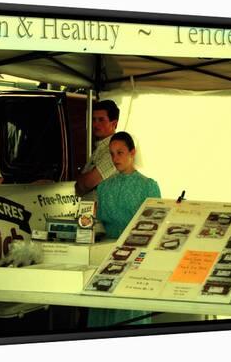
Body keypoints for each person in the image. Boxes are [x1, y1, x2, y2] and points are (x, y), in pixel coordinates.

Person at [88, 131, 161, 328]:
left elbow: (156, 226)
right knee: (103, 308)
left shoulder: (149, 186)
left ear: (132, 152)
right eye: (112, 154)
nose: (115, 158)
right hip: (106, 255)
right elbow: (100, 223)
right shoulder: (104, 188)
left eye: (120, 153)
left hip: (136, 256)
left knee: (130, 312)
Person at [75, 100, 119, 197]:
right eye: (94, 119)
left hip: (101, 210)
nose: (96, 124)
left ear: (114, 123)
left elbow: (86, 184)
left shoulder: (113, 150)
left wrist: (81, 179)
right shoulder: (100, 147)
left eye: (101, 119)